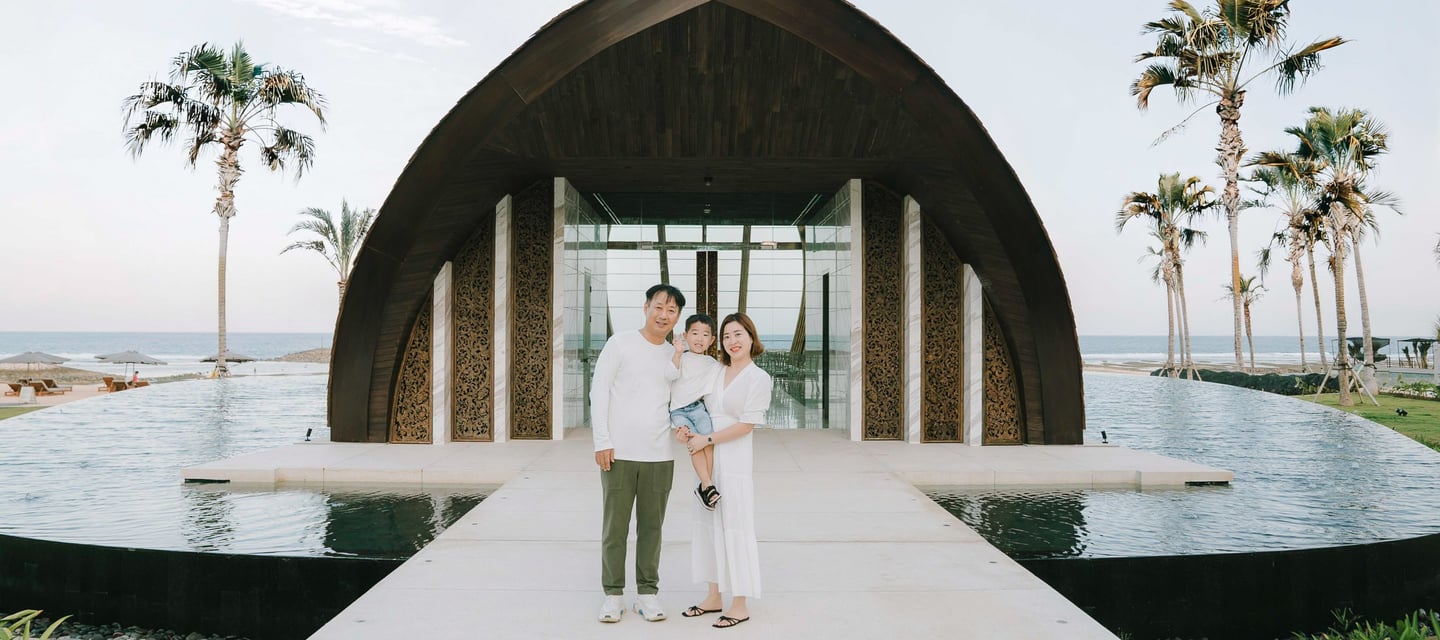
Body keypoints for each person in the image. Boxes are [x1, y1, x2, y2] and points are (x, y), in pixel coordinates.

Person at [590, 284, 685, 624]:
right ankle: (613, 595)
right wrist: (602, 440)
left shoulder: (675, 354)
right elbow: (598, 391)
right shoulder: (620, 344)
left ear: (677, 317)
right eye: (659, 306)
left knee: (652, 529)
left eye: (672, 311)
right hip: (619, 453)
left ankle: (648, 594)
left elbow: (685, 400)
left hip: (660, 455)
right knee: (615, 528)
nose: (664, 315)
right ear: (646, 307)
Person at [679, 312, 773, 629]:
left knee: (735, 526)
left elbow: (747, 424)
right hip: (706, 455)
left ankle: (740, 603)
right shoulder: (716, 372)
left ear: (751, 337)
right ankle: (713, 595)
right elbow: (693, 405)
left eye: (738, 334)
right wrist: (686, 431)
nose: (732, 341)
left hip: (733, 457)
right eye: (727, 336)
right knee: (707, 524)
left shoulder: (758, 378)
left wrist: (708, 437)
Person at [669, 314, 723, 509]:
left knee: (707, 443)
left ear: (712, 340)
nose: (699, 339)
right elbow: (670, 373)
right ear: (685, 335)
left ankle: (706, 485)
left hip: (699, 408)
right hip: (679, 411)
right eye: (695, 333)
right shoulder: (680, 357)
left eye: (705, 334)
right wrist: (676, 352)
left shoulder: (712, 364)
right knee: (694, 443)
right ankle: (708, 485)